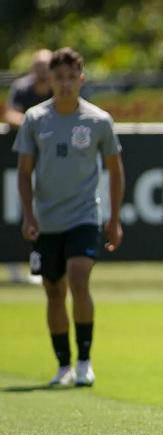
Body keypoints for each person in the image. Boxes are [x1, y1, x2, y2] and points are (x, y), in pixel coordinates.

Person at [14, 47, 125, 387]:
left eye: (70, 77)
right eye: (58, 78)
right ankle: (63, 365)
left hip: (84, 216)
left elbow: (115, 170)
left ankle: (85, 361)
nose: (64, 84)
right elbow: (24, 172)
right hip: (48, 220)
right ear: (50, 81)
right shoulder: (35, 119)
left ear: (82, 79)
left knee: (79, 278)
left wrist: (114, 218)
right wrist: (29, 215)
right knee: (53, 289)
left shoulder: (98, 121)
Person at [3, 49, 54, 284]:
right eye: (39, 66)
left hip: (52, 166)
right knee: (19, 212)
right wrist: (35, 125)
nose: (43, 71)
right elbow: (9, 114)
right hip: (21, 163)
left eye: (47, 65)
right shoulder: (23, 88)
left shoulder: (60, 88)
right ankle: (14, 265)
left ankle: (45, 264)